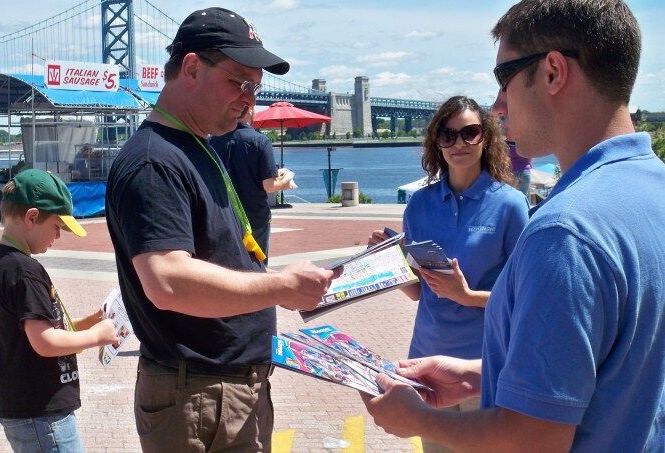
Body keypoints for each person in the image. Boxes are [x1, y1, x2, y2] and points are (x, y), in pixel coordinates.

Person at [361, 1, 665, 451]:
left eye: (503, 80)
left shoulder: (564, 233)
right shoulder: (653, 189)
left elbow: (534, 438)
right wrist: (475, 376)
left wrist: (420, 419)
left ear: (553, 72)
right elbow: (613, 363)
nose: (498, 106)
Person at [104, 7, 337, 452]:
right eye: (240, 82)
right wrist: (281, 286)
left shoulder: (196, 147)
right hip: (200, 396)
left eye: (257, 87)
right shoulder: (155, 160)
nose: (250, 99)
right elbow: (167, 281)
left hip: (224, 390)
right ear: (191, 67)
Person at [368, 95, 529, 452]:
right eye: (448, 134)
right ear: (436, 142)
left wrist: (467, 296)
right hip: (428, 358)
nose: (459, 144)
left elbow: (526, 299)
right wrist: (388, 263)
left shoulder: (510, 205)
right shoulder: (419, 204)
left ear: (485, 138)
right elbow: (419, 291)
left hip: (483, 366)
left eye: (469, 133)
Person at [0, 169, 118, 452]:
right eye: (57, 226)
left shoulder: (4, 263)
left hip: (26, 408)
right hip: (41, 412)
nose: (58, 236)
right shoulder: (25, 270)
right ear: (32, 217)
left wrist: (86, 324)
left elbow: (32, 330)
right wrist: (98, 335)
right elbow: (45, 342)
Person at [209, 106, 297, 262]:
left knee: (228, 266)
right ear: (249, 110)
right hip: (255, 217)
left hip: (223, 215)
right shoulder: (261, 141)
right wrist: (286, 180)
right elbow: (269, 186)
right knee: (257, 265)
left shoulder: (213, 141)